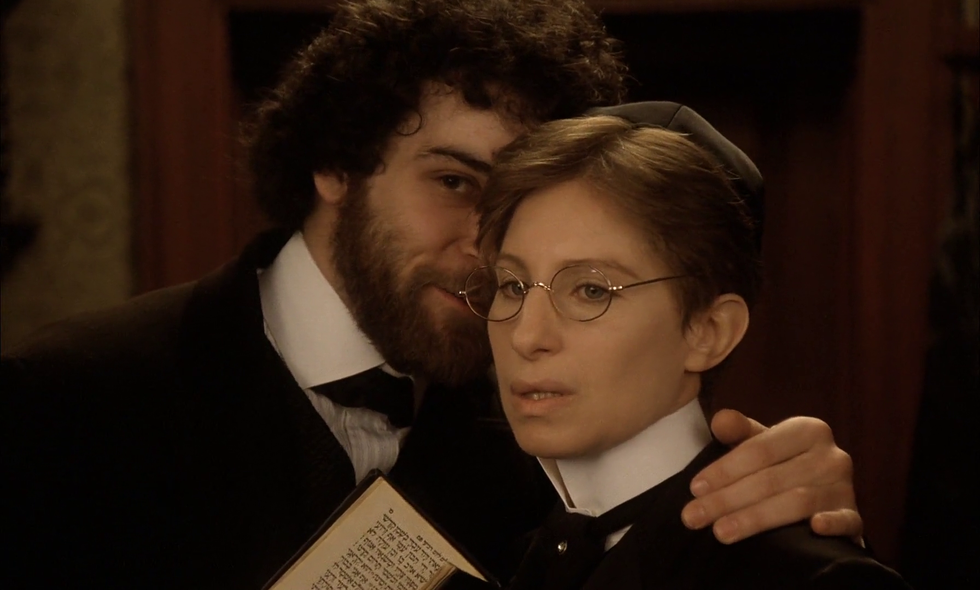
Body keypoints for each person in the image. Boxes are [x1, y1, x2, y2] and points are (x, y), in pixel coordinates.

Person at [2, 1, 858, 588]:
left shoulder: (553, 417)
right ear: (336, 163)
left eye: (516, 208)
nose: (487, 247)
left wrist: (786, 508)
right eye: (454, 181)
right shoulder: (71, 398)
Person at [466, 101, 908, 589]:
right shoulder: (508, 554)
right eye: (513, 286)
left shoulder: (808, 578)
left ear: (709, 331)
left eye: (591, 290)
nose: (526, 336)